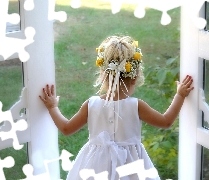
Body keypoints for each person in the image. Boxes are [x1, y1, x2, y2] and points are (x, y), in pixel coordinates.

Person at [39, 35, 194, 180]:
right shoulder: (136, 106)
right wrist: (180, 95)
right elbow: (166, 122)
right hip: (132, 166)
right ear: (135, 77)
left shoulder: (91, 104)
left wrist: (52, 107)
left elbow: (66, 129)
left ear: (103, 74)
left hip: (95, 167)